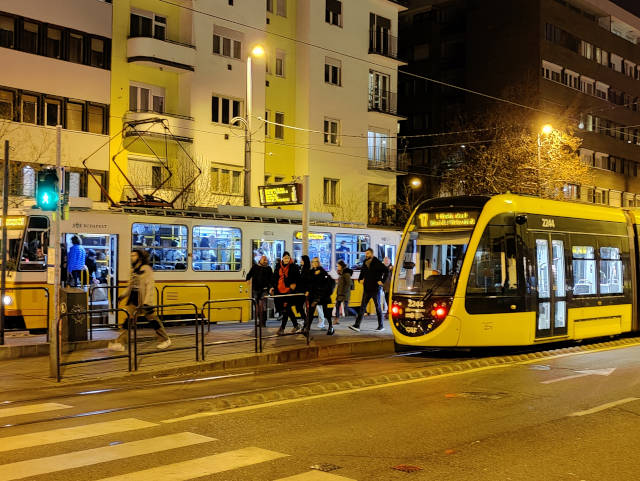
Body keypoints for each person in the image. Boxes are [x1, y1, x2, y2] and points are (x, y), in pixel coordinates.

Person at [109, 249, 171, 351]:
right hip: (133, 299)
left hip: (143, 300)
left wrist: (147, 302)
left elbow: (150, 286)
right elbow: (130, 286)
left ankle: (165, 339)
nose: (131, 257)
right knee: (128, 321)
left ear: (140, 257)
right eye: (131, 256)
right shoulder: (133, 270)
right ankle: (120, 343)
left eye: (134, 256)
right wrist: (122, 296)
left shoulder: (146, 269)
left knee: (153, 320)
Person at [349, 248, 387, 332]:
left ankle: (381, 326)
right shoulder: (365, 263)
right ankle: (357, 325)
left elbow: (386, 270)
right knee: (362, 307)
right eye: (366, 253)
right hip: (366, 288)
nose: (366, 255)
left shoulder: (377, 262)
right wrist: (360, 279)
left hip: (375, 289)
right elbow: (362, 273)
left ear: (372, 254)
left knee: (378, 307)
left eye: (368, 253)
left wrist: (382, 281)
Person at [270, 251, 301, 335]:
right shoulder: (278, 267)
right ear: (282, 259)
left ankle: (282, 328)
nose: (286, 259)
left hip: (289, 291)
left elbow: (297, 278)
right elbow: (274, 277)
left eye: (287, 257)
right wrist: (273, 286)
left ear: (290, 258)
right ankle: (295, 325)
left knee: (286, 309)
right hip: (279, 291)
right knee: (286, 310)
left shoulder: (293, 267)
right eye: (285, 258)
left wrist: (294, 284)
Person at [303, 257, 335, 336]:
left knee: (326, 312)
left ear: (319, 263)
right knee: (310, 312)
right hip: (313, 296)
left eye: (316, 261)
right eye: (313, 262)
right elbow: (309, 283)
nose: (314, 263)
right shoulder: (311, 272)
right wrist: (307, 291)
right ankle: (307, 328)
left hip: (322, 296)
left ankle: (330, 326)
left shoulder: (323, 272)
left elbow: (324, 283)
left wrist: (318, 275)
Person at [246, 255, 273, 327]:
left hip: (264, 290)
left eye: (266, 260)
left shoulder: (268, 268)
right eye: (264, 259)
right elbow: (249, 274)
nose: (265, 261)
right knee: (257, 306)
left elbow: (271, 280)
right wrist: (248, 280)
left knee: (263, 306)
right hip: (255, 289)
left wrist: (271, 287)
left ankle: (263, 322)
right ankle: (260, 321)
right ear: (260, 260)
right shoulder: (255, 267)